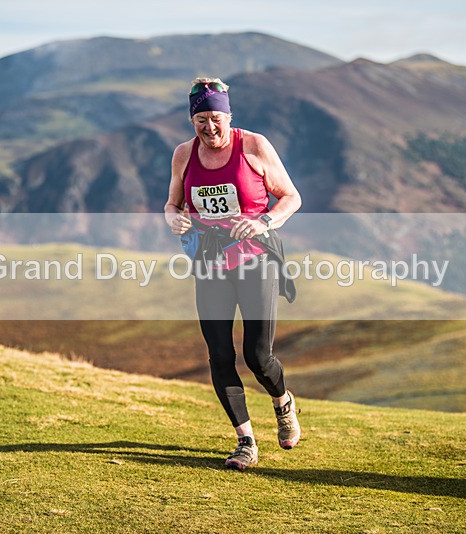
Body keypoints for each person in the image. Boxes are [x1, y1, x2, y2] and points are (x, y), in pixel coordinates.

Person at [164, 77, 302, 471]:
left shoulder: (254, 146)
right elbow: (172, 203)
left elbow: (291, 196)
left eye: (216, 119)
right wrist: (173, 218)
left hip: (256, 259)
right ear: (192, 121)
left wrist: (264, 222)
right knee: (220, 354)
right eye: (201, 120)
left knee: (258, 357)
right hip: (210, 262)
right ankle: (245, 442)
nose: (209, 127)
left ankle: (283, 403)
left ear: (229, 116)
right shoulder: (183, 154)